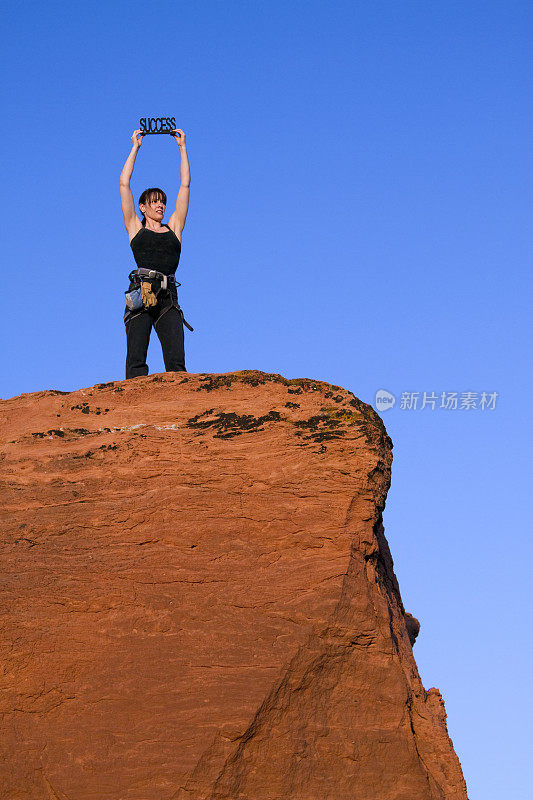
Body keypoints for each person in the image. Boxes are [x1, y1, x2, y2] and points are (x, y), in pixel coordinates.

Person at [119, 128, 191, 379]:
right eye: (154, 202)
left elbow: (185, 185)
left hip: (168, 296)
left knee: (176, 363)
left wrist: (182, 148)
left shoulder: (175, 229)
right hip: (142, 293)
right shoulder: (134, 229)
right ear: (143, 207)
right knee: (136, 361)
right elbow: (124, 184)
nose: (160, 205)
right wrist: (135, 148)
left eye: (162, 201)